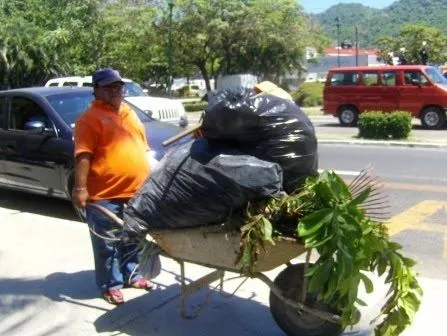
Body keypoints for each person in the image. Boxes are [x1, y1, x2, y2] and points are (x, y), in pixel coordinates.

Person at [72, 67, 153, 305]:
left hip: (137, 191)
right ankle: (111, 285)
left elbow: (142, 147)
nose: (115, 90)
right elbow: (83, 155)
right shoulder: (88, 119)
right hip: (105, 194)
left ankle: (132, 275)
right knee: (107, 243)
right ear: (96, 90)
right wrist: (80, 189)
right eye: (108, 86)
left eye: (118, 86)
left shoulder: (129, 113)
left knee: (133, 238)